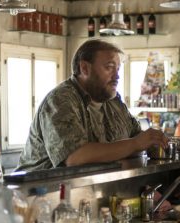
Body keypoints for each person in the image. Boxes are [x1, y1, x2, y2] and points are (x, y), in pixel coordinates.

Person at [17, 39, 168, 172]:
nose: (117, 76)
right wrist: (136, 144)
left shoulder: (113, 102)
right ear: (84, 68)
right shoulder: (60, 100)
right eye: (109, 67)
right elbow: (75, 157)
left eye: (118, 69)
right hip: (41, 196)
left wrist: (155, 143)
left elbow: (139, 139)